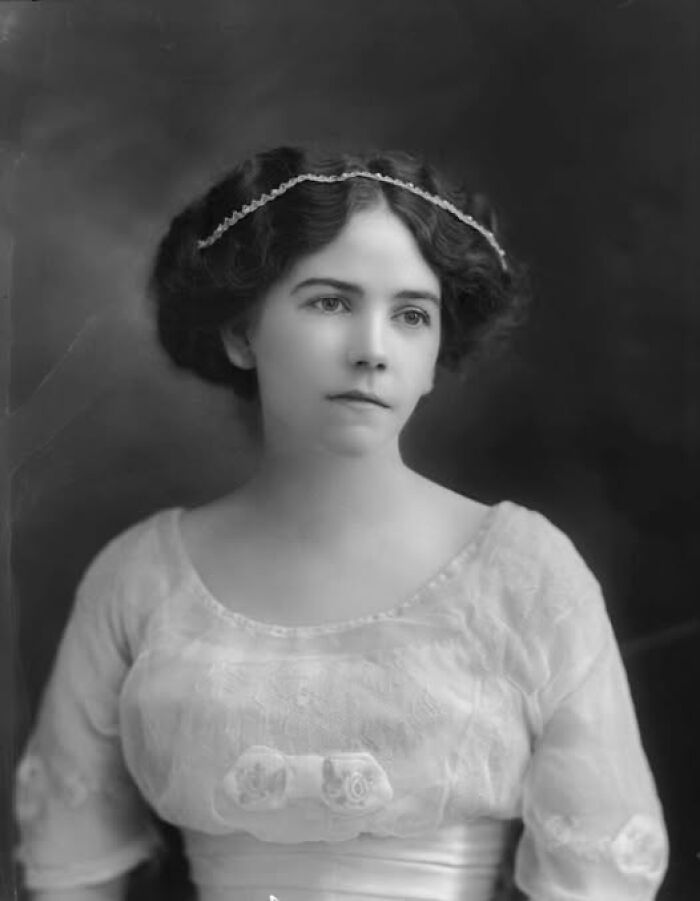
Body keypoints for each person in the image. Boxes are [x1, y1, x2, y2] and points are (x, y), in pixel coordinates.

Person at [14, 145, 669, 901]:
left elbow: (597, 879)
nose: (372, 351)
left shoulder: (525, 573)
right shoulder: (137, 580)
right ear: (241, 333)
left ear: (434, 357)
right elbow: (72, 871)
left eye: (412, 316)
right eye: (330, 302)